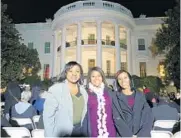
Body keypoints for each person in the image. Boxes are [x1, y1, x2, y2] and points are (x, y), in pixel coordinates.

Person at [43, 61, 88, 137]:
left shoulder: (83, 91)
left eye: (77, 71)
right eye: (70, 71)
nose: (74, 74)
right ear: (66, 73)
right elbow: (48, 117)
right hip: (62, 133)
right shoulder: (56, 89)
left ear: (80, 74)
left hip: (80, 132)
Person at [111, 70, 154, 137]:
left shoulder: (140, 95)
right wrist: (129, 136)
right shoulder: (114, 97)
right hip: (124, 135)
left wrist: (142, 135)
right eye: (120, 79)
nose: (123, 81)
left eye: (125, 77)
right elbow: (117, 118)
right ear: (117, 82)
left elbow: (148, 115)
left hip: (141, 134)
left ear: (130, 79)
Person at [82, 67, 116, 137]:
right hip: (93, 132)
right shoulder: (85, 93)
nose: (96, 78)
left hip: (110, 131)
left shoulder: (109, 92)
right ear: (89, 78)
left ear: (102, 77)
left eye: (99, 76)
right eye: (93, 76)